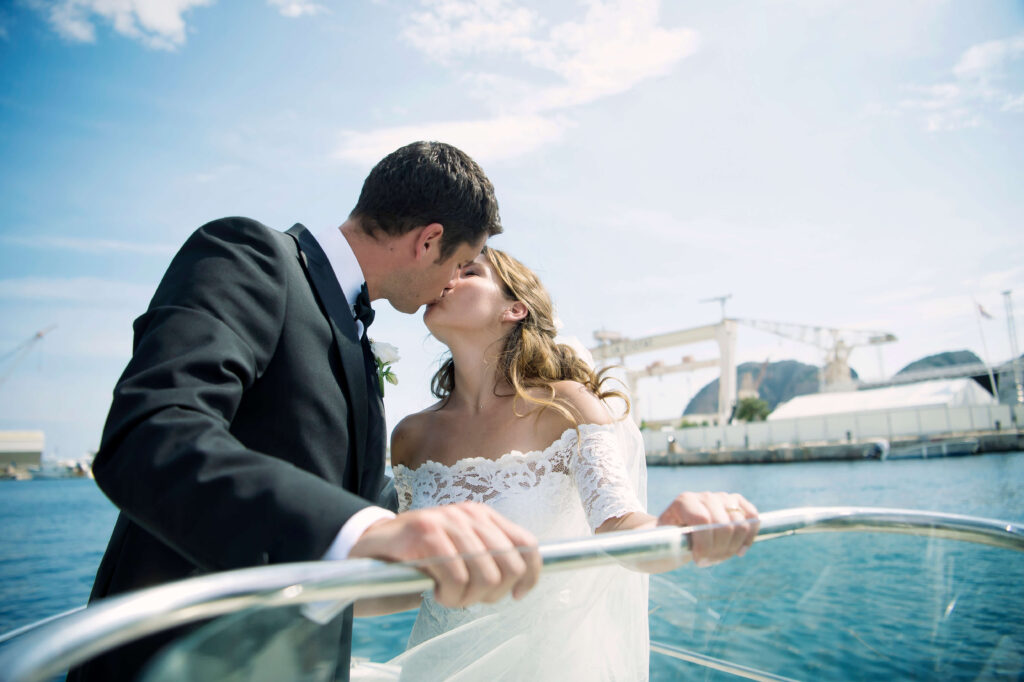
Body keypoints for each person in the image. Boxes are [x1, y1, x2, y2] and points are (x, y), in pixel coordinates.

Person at [68, 142, 542, 682]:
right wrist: (355, 532)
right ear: (428, 241)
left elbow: (346, 486)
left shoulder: (356, 336)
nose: (452, 281)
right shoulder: (247, 255)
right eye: (459, 263)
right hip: (179, 664)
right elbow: (150, 434)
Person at [357, 247, 759, 680]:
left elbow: (620, 527)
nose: (446, 279)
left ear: (515, 308)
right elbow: (413, 582)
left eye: (469, 271)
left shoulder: (566, 406)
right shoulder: (410, 436)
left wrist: (676, 529)